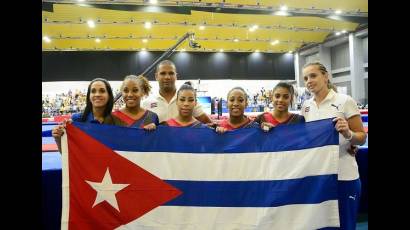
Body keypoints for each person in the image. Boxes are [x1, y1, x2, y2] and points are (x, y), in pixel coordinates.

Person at [301, 62, 367, 230]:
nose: (309, 81)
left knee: (345, 224)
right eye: (305, 78)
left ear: (326, 76)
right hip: (319, 177)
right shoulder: (306, 106)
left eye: (313, 76)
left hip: (344, 176)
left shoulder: (345, 101)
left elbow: (361, 137)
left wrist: (348, 134)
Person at [51, 78, 119, 152]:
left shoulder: (117, 122)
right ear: (89, 96)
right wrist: (58, 138)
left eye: (102, 91)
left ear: (109, 95)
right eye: (93, 91)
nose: (97, 94)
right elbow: (69, 156)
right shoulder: (76, 120)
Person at [142, 60, 212, 124]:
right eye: (163, 73)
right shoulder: (147, 103)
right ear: (156, 76)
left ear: (176, 76)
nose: (167, 77)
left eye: (171, 73)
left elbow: (208, 124)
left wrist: (219, 129)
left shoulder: (187, 100)